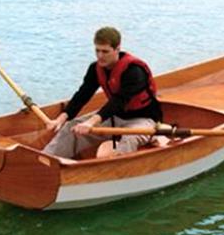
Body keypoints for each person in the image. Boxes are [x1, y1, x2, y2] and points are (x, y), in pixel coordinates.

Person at [43, 27, 162, 159]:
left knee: (129, 140)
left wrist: (91, 123)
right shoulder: (95, 68)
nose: (100, 56)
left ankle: (112, 174)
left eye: (105, 51)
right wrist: (60, 119)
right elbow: (82, 95)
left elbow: (118, 101)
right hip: (113, 117)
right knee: (71, 127)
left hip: (143, 119)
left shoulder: (134, 71)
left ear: (117, 50)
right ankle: (44, 163)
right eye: (97, 50)